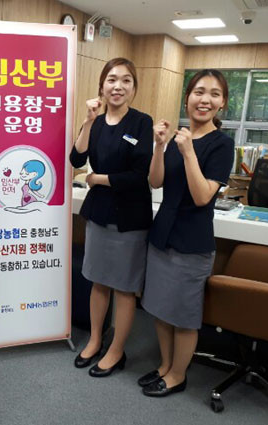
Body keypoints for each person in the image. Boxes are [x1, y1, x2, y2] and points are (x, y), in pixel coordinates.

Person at [139, 69, 235, 397]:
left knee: (183, 316)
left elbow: (202, 196)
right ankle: (165, 366)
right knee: (160, 308)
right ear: (187, 98)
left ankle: (178, 375)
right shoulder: (178, 138)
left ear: (222, 103)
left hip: (192, 243)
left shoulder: (222, 144)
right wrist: (159, 146)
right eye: (198, 92)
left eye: (214, 94)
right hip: (162, 236)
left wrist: (189, 152)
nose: (205, 99)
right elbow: (155, 181)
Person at [69, 58, 153, 377]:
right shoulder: (97, 122)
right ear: (102, 86)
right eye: (112, 80)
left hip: (130, 217)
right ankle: (94, 340)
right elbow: (76, 158)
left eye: (126, 80)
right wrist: (88, 121)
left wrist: (97, 179)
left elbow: (139, 175)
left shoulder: (141, 123)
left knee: (124, 288)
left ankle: (116, 350)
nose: (118, 86)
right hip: (100, 213)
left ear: (134, 88)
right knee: (98, 281)